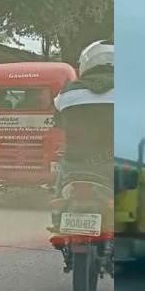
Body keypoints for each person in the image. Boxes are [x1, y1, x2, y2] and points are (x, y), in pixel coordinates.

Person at [49, 40, 114, 227]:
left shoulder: (66, 93)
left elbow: (57, 123)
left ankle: (57, 218)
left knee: (60, 188)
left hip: (74, 164)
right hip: (111, 164)